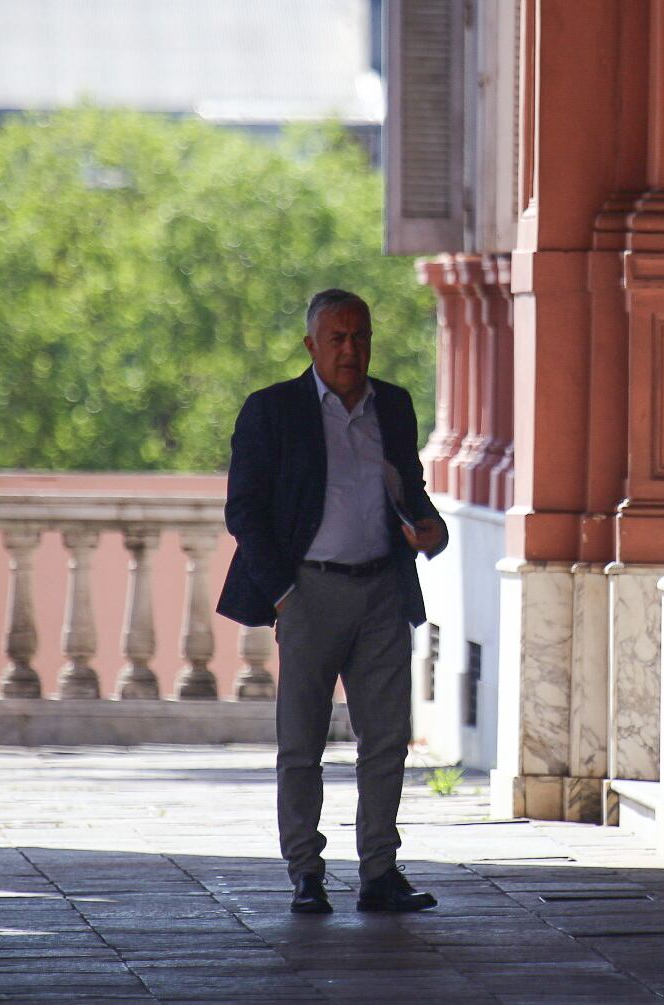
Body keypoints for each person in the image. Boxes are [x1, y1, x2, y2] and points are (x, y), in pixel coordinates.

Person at [217, 288, 448, 914]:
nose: (351, 350)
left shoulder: (392, 406)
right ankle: (305, 874)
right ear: (311, 345)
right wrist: (284, 594)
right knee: (302, 744)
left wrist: (430, 529)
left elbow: (411, 491)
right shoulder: (272, 410)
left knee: (387, 740)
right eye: (338, 338)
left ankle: (380, 872)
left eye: (361, 337)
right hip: (308, 593)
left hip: (382, 591)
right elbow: (245, 511)